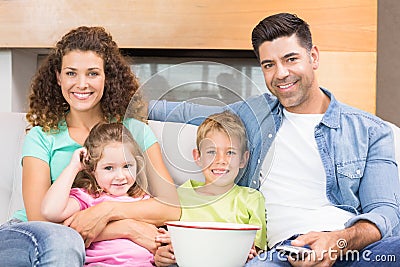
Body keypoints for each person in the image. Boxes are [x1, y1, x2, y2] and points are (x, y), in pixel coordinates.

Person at [149, 13, 400, 266]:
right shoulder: (252, 115)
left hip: (354, 248)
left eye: (291, 59)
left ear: (313, 57)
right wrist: (120, 105)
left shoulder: (370, 131)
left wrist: (340, 241)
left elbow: (385, 212)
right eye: (269, 65)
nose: (281, 73)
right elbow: (185, 111)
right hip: (287, 253)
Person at [0, 26, 180, 266]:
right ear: (58, 77)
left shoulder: (135, 131)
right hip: (29, 236)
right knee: (64, 243)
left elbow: (171, 208)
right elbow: (40, 219)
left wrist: (105, 212)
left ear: (108, 77)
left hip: (90, 247)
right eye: (71, 73)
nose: (81, 84)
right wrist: (126, 228)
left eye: (93, 73)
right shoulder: (42, 136)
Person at [154, 111, 266, 267]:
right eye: (212, 152)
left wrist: (252, 253)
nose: (221, 160)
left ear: (243, 159)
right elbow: (165, 243)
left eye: (230, 153)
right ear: (198, 157)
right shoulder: (179, 196)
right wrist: (161, 256)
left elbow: (258, 251)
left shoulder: (251, 198)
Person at [41, 122, 155, 266]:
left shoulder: (142, 198)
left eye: (127, 166)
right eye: (109, 168)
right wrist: (73, 167)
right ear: (91, 169)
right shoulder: (88, 197)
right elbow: (50, 211)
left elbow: (155, 235)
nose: (120, 176)